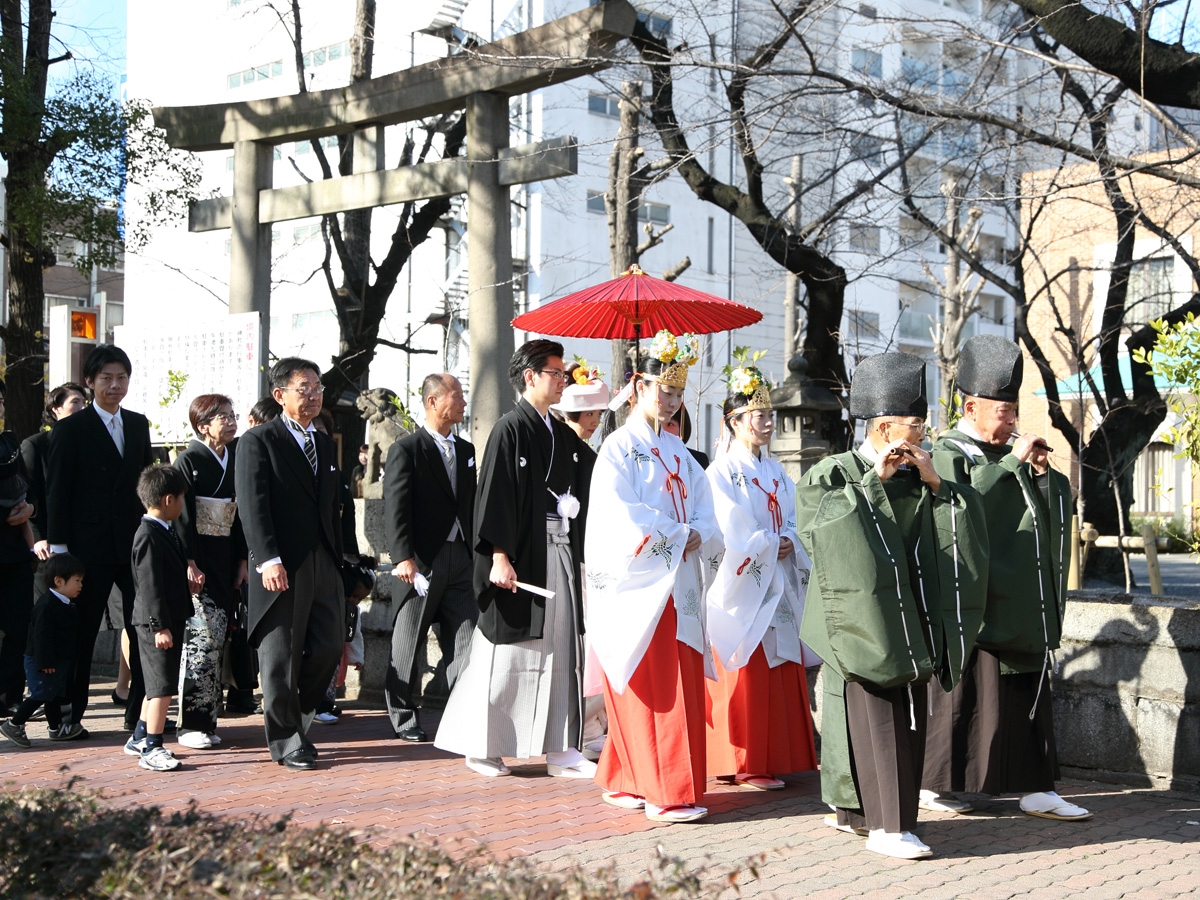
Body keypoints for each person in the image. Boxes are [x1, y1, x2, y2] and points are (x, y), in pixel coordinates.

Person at [796, 352, 987, 860]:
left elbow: (964, 531)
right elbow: (824, 539)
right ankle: (888, 826)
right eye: (917, 426)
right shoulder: (833, 474)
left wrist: (937, 486)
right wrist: (871, 486)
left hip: (914, 613)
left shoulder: (922, 477)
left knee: (902, 716)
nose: (924, 437)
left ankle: (869, 815)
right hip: (862, 619)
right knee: (875, 714)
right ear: (884, 427)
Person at [920, 335, 1089, 821]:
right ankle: (942, 785)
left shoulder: (1011, 451)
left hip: (1022, 596)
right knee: (971, 696)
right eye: (1003, 410)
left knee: (1026, 694)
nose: (1012, 421)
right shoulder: (948, 453)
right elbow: (956, 510)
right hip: (977, 598)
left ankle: (1036, 786)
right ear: (971, 407)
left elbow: (1056, 503)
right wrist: (1011, 466)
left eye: (1015, 410)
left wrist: (1039, 473)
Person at [435, 340, 595, 779]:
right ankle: (481, 746)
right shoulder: (510, 428)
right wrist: (499, 557)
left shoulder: (560, 432)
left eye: (565, 374)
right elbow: (496, 496)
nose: (564, 380)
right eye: (557, 373)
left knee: (562, 645)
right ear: (531, 376)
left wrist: (607, 402)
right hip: (521, 553)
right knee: (506, 653)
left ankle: (561, 748)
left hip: (558, 549)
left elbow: (594, 472)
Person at [584, 331, 721, 823]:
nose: (670, 400)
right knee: (652, 683)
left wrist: (696, 532)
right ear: (638, 384)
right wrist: (678, 533)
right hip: (640, 582)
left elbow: (708, 512)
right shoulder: (618, 449)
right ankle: (667, 788)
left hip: (679, 582)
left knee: (672, 680)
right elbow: (620, 517)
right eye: (663, 388)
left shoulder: (682, 453)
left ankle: (626, 776)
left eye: (679, 392)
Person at [705, 362, 818, 792]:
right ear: (734, 422)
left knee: (777, 664)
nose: (768, 424)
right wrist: (771, 544)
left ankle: (772, 757)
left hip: (776, 578)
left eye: (770, 416)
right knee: (746, 666)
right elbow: (730, 530)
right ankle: (744, 760)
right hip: (745, 584)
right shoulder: (721, 473)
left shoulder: (775, 472)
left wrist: (788, 536)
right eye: (759, 416)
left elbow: (793, 517)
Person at [235, 358, 344, 770]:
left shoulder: (326, 442)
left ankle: (296, 720)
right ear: (280, 395)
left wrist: (344, 560)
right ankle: (286, 740)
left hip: (324, 560)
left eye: (318, 387)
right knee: (280, 654)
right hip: (281, 562)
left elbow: (335, 508)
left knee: (330, 643)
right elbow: (252, 504)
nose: (314, 394)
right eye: (305, 388)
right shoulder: (259, 440)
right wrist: (267, 559)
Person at [46, 345, 155, 737]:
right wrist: (59, 550)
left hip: (132, 547)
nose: (115, 385)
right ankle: (68, 717)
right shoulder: (69, 428)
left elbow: (146, 486)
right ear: (90, 382)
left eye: (122, 377)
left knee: (143, 626)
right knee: (81, 633)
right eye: (106, 378)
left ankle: (141, 714)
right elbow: (57, 491)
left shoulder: (139, 424)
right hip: (85, 550)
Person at [383, 374, 477, 743]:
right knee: (408, 641)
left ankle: (462, 713)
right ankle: (404, 715)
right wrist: (403, 557)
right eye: (457, 396)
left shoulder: (467, 451)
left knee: (467, 638)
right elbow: (396, 508)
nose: (463, 404)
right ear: (433, 401)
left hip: (462, 557)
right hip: (421, 562)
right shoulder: (407, 449)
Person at [173, 394, 248, 750]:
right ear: (203, 426)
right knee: (201, 639)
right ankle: (191, 723)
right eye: (223, 418)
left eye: (233, 416)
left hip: (227, 556)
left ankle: (209, 718)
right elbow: (183, 515)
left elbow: (242, 513)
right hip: (200, 558)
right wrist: (188, 560)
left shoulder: (236, 458)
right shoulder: (188, 461)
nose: (232, 422)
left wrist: (243, 561)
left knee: (218, 639)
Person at [548, 360, 608, 759]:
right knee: (578, 646)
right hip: (567, 555)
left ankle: (594, 725)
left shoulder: (590, 452)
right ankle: (580, 729)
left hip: (594, 556)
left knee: (596, 645)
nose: (599, 419)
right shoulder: (557, 448)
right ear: (582, 412)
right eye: (596, 413)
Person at [124, 465, 192, 772]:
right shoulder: (149, 535)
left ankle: (139, 736)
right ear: (167, 500)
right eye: (180, 499)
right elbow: (149, 585)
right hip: (157, 623)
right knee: (163, 686)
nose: (182, 505)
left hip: (167, 618)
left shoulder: (163, 530)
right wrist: (159, 627)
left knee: (156, 684)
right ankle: (152, 746)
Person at [0, 553, 82, 749]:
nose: (80, 585)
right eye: (77, 580)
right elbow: (41, 637)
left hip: (54, 660)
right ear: (59, 581)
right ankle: (14, 724)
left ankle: (55, 728)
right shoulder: (46, 606)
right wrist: (45, 662)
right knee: (40, 693)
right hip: (42, 660)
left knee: (51, 694)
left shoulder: (63, 603)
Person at [0, 378, 38, 717]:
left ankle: (11, 695)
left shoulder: (10, 444)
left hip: (13, 552)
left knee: (16, 626)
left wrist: (29, 509)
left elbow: (30, 491)